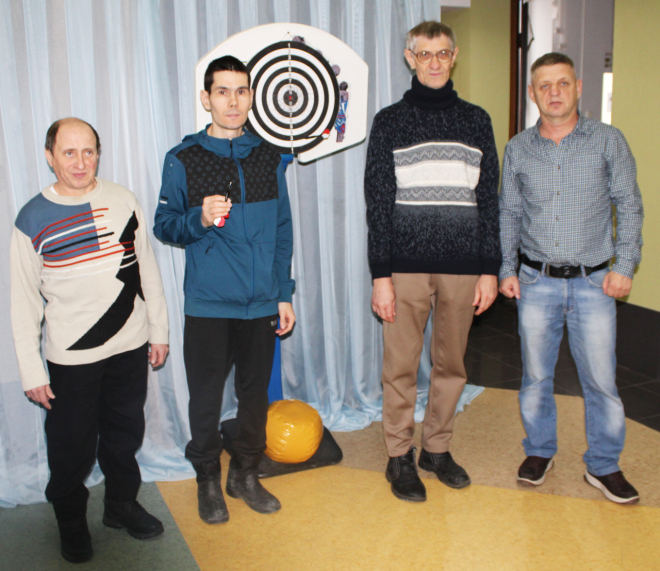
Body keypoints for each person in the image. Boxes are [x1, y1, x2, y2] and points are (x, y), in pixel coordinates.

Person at [10, 118, 169, 563]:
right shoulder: (31, 218)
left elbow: (146, 270)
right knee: (70, 447)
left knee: (124, 433)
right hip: (71, 357)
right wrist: (31, 370)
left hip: (130, 345)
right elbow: (23, 302)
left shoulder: (123, 200)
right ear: (50, 156)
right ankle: (71, 522)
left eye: (89, 152)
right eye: (69, 152)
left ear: (98, 153)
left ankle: (120, 505)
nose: (80, 162)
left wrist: (158, 330)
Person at [154, 56, 295, 524]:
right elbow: (164, 225)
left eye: (241, 91)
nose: (232, 101)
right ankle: (208, 480)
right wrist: (198, 218)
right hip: (210, 304)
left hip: (262, 303)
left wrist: (283, 292)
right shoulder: (183, 158)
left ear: (251, 97)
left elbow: (282, 228)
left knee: (254, 397)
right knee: (206, 399)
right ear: (206, 98)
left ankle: (245, 474)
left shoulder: (268, 156)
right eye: (222, 91)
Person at [364, 21, 501, 502]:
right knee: (400, 366)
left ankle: (436, 449)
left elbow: (490, 199)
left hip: (464, 266)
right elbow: (378, 204)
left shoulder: (477, 120)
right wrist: (381, 275)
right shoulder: (389, 121)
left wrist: (490, 268)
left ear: (454, 55)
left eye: (443, 53)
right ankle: (399, 455)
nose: (435, 62)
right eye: (425, 54)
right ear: (410, 58)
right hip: (404, 266)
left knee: (452, 365)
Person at [499, 53, 644, 504]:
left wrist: (624, 265)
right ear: (532, 93)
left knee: (600, 380)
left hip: (594, 283)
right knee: (536, 377)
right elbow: (509, 213)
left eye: (562, 83)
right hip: (536, 281)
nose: (554, 92)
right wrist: (507, 268)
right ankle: (539, 451)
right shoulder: (518, 149)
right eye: (544, 85)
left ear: (578, 87)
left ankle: (603, 464)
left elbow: (629, 205)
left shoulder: (608, 141)